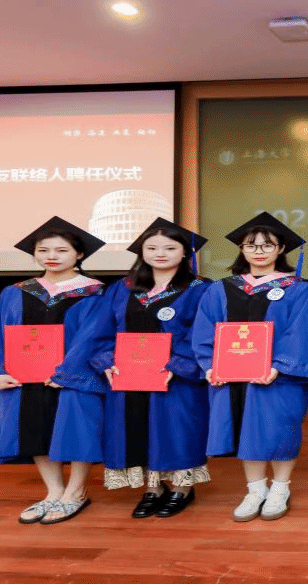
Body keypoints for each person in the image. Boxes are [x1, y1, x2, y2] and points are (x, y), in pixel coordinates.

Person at [51, 218, 213, 520]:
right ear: (141, 252)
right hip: (128, 376)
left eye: (169, 248)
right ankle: (153, 489)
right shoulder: (123, 288)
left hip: (175, 378)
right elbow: (101, 330)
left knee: (177, 431)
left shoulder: (201, 289)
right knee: (136, 429)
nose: (160, 253)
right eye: (152, 248)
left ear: (184, 252)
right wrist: (107, 361)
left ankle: (182, 489)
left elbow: (204, 332)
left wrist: (177, 363)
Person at [192, 212, 308, 522]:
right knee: (245, 429)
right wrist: (210, 365)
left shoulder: (299, 288)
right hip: (232, 376)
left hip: (278, 377)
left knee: (280, 429)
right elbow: (205, 329)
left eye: (268, 245)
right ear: (242, 249)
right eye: (251, 245)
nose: (259, 250)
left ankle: (280, 488)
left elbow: (301, 331)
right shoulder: (221, 289)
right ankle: (255, 489)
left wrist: (279, 366)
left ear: (281, 249)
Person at [0, 216, 106, 524]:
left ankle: (76, 492)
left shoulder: (96, 292)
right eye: (43, 250)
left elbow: (94, 336)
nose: (51, 256)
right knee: (34, 428)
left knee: (77, 431)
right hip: (25, 377)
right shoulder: (16, 291)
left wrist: (68, 373)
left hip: (74, 378)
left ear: (79, 254)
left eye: (61, 250)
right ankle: (54, 491)